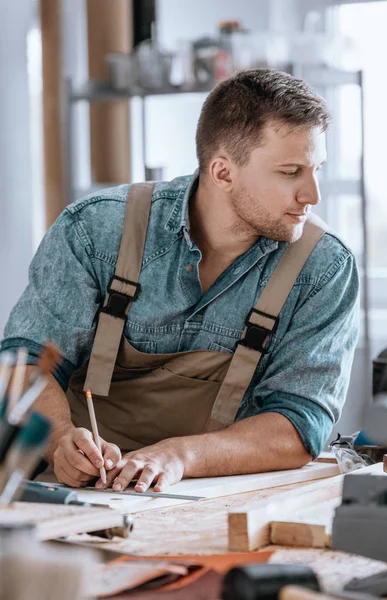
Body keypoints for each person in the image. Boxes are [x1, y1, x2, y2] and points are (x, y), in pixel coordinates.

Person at [0, 68, 359, 493]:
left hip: (212, 498)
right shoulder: (96, 229)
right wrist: (59, 440)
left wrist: (178, 455)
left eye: (316, 168)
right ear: (222, 173)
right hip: (75, 491)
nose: (312, 194)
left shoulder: (324, 267)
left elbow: (302, 424)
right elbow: (26, 361)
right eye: (290, 172)